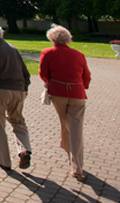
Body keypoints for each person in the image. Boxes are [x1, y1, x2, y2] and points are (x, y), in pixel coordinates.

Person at [40, 25, 91, 181]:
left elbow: (43, 74)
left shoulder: (47, 53)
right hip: (77, 93)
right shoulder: (78, 54)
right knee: (75, 128)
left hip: (58, 93)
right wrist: (83, 86)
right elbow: (86, 75)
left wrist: (49, 84)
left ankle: (69, 153)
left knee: (65, 124)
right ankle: (77, 166)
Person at [0, 23, 32, 170]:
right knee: (18, 121)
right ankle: (24, 149)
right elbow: (24, 71)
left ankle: (4, 160)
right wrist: (25, 87)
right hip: (18, 90)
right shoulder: (12, 48)